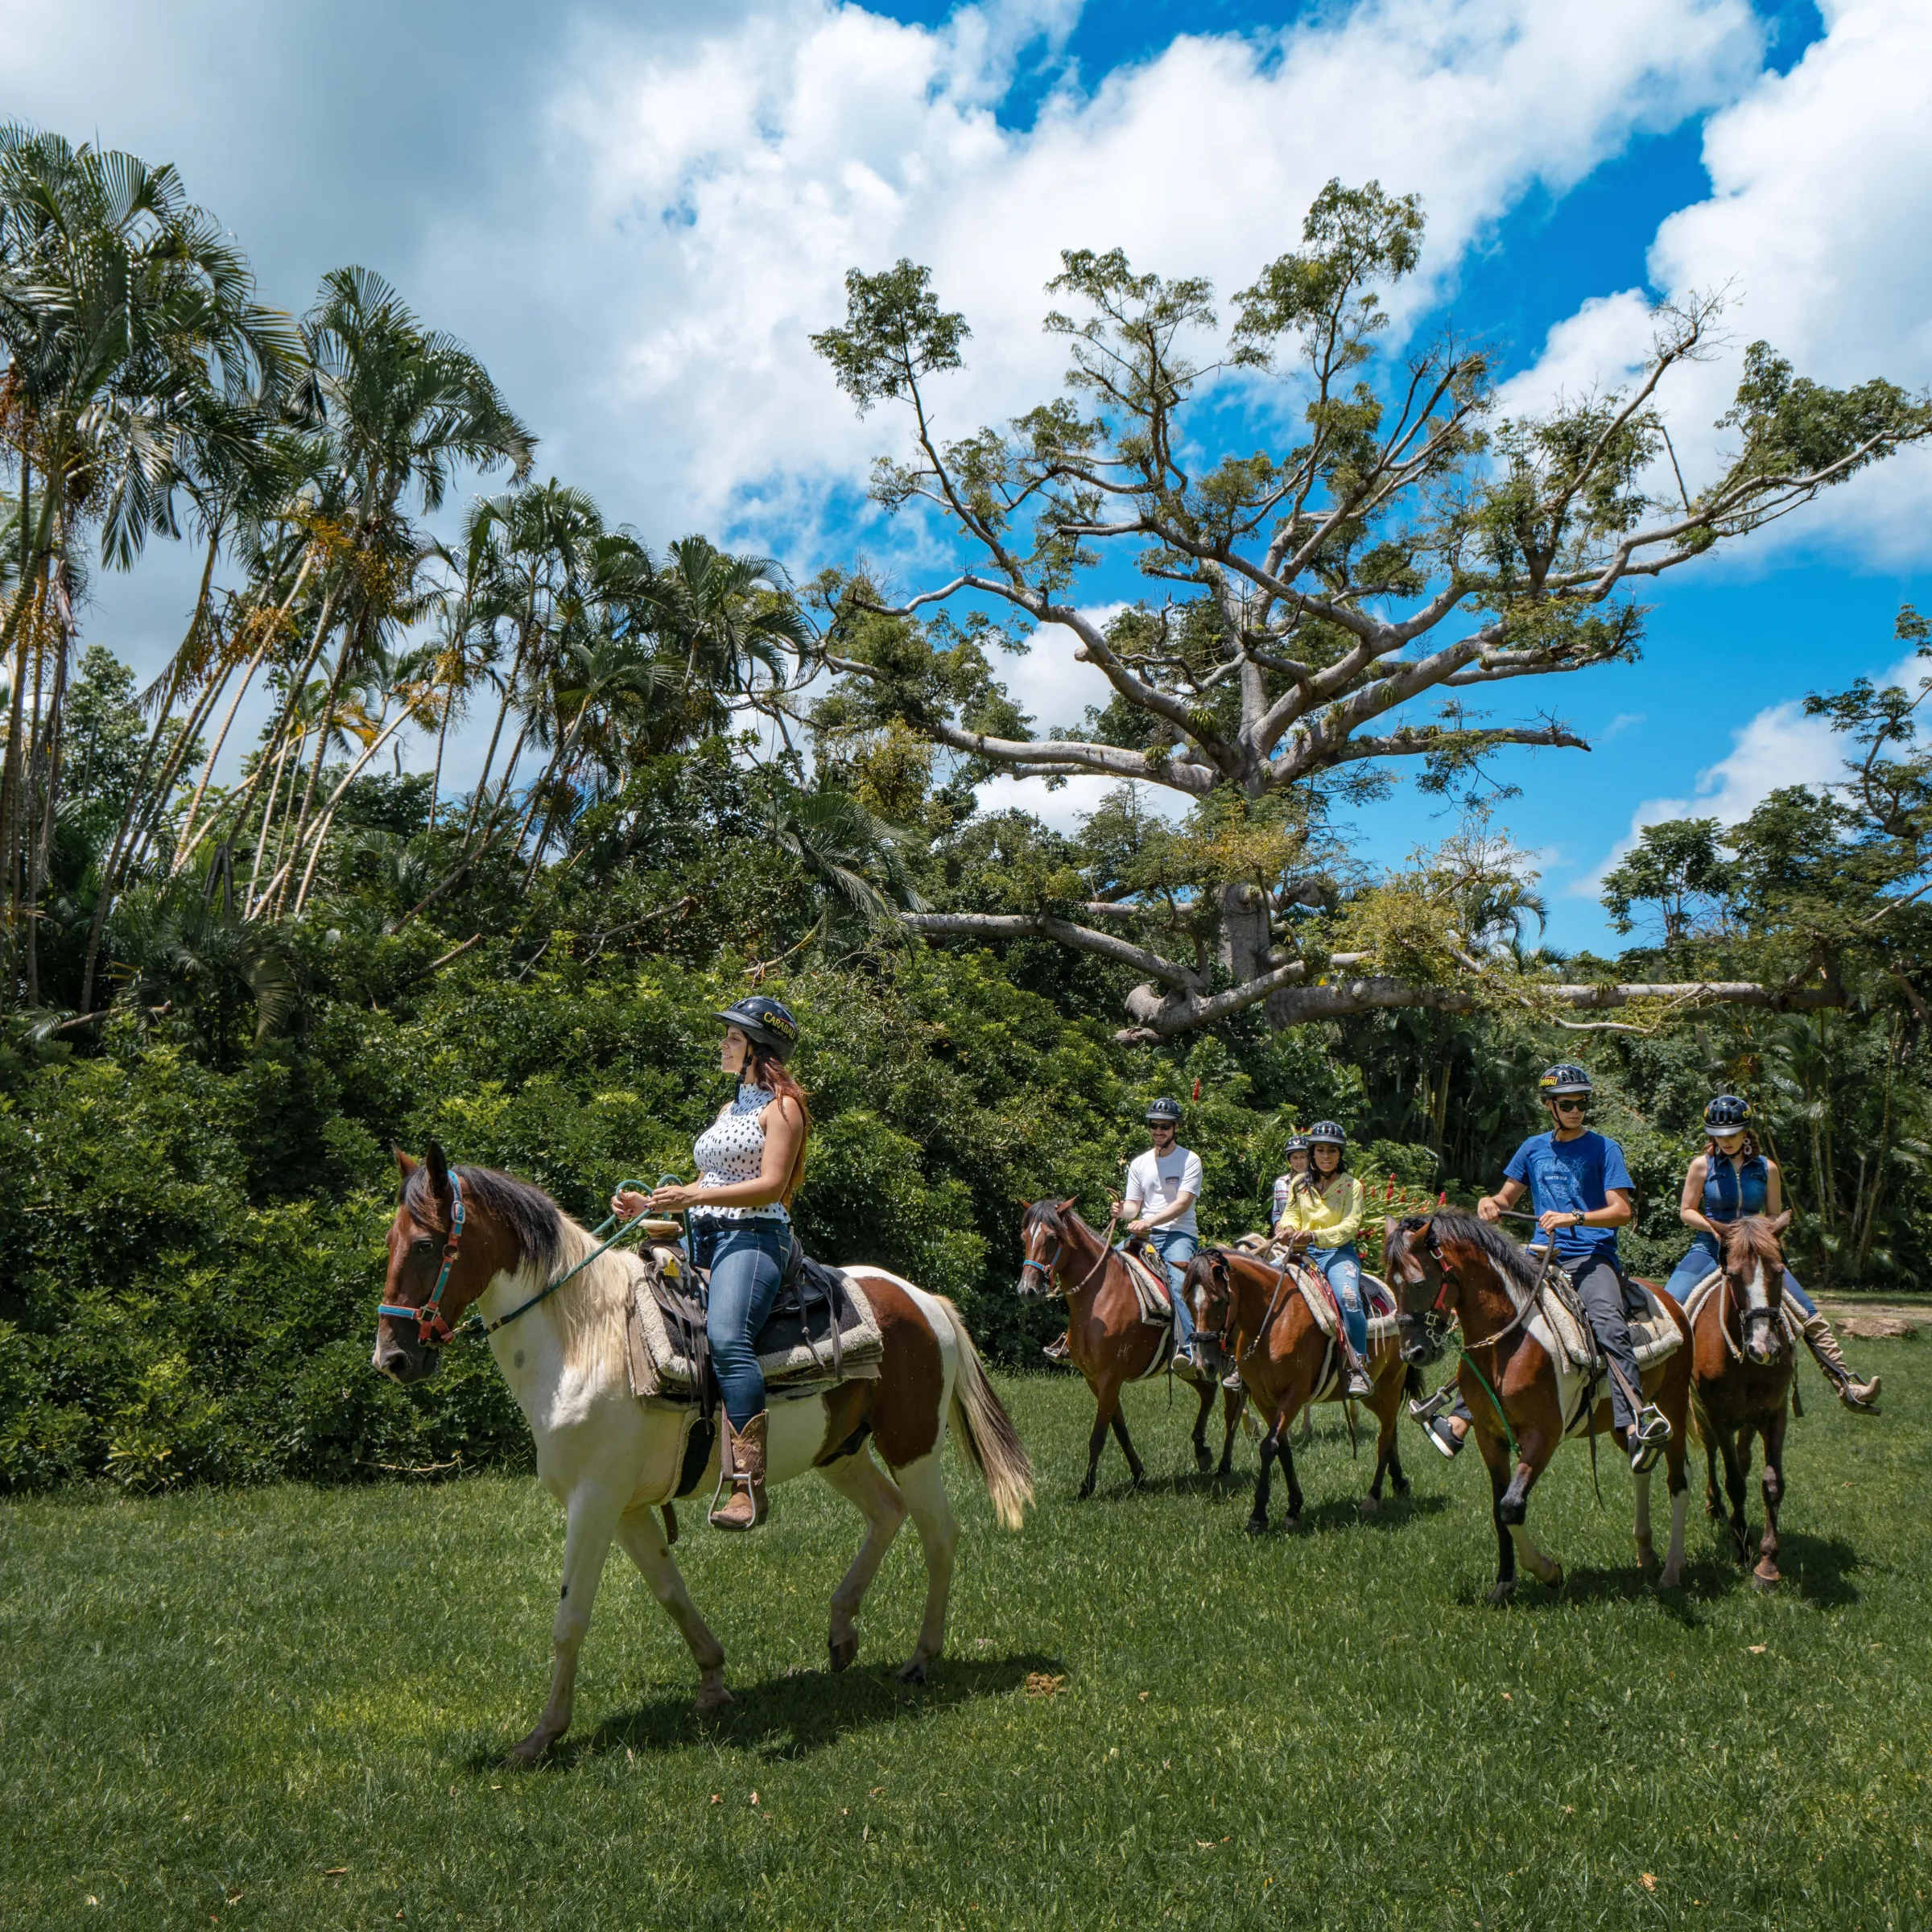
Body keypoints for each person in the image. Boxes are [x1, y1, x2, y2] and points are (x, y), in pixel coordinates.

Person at [613, 994, 808, 1533]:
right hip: (706, 1236)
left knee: (727, 1338)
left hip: (755, 1237)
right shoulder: (730, 1110)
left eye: (732, 1038)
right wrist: (651, 1205)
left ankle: (747, 1486)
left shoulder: (782, 1107)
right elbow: (708, 1183)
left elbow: (770, 1184)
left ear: (756, 1050)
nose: (722, 1044)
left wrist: (693, 1200)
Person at [1478, 1063, 1670, 1474]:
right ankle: (1459, 1412)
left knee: (1609, 1326)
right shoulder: (1532, 1148)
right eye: (1567, 1103)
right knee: (1492, 1315)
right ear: (1549, 1106)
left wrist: (1574, 1219)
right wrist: (1492, 1204)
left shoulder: (1606, 1148)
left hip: (1591, 1256)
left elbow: (1622, 1211)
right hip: (1536, 1253)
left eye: (1582, 1102)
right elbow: (1507, 1197)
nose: (1577, 1110)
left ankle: (1635, 1421)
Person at [1665, 1094, 1880, 1411]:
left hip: (1754, 1255)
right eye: (1719, 1135)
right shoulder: (1702, 1166)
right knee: (1669, 1308)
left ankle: (1846, 1384)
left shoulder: (1767, 1169)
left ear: (1746, 1132)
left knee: (1808, 1314)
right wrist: (1713, 1227)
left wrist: (1758, 1237)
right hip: (1709, 1249)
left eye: (1733, 1134)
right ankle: (1654, 1393)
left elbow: (1773, 1216)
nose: (1725, 1141)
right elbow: (1686, 1211)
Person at [1275, 1122, 1372, 1397]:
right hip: (1300, 1252)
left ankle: (1358, 1366)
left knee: (1349, 1299)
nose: (1326, 1156)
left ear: (1340, 1155)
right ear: (1312, 1153)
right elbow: (1291, 1215)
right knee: (1260, 1284)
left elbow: (1350, 1226)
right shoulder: (1298, 1183)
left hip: (1337, 1253)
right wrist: (1288, 1229)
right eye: (1320, 1150)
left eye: (1332, 1150)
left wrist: (1314, 1237)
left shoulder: (1353, 1186)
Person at [1111, 1097, 1204, 1364]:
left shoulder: (1190, 1159)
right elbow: (1133, 1207)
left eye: (1165, 1126)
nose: (1158, 1131)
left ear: (1176, 1128)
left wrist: (1148, 1222)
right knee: (1104, 1268)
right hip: (1145, 1234)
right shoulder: (1140, 1163)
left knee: (1177, 1284)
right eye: (1154, 1125)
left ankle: (1189, 1348)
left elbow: (1182, 1204)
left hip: (1179, 1234)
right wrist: (1122, 1211)